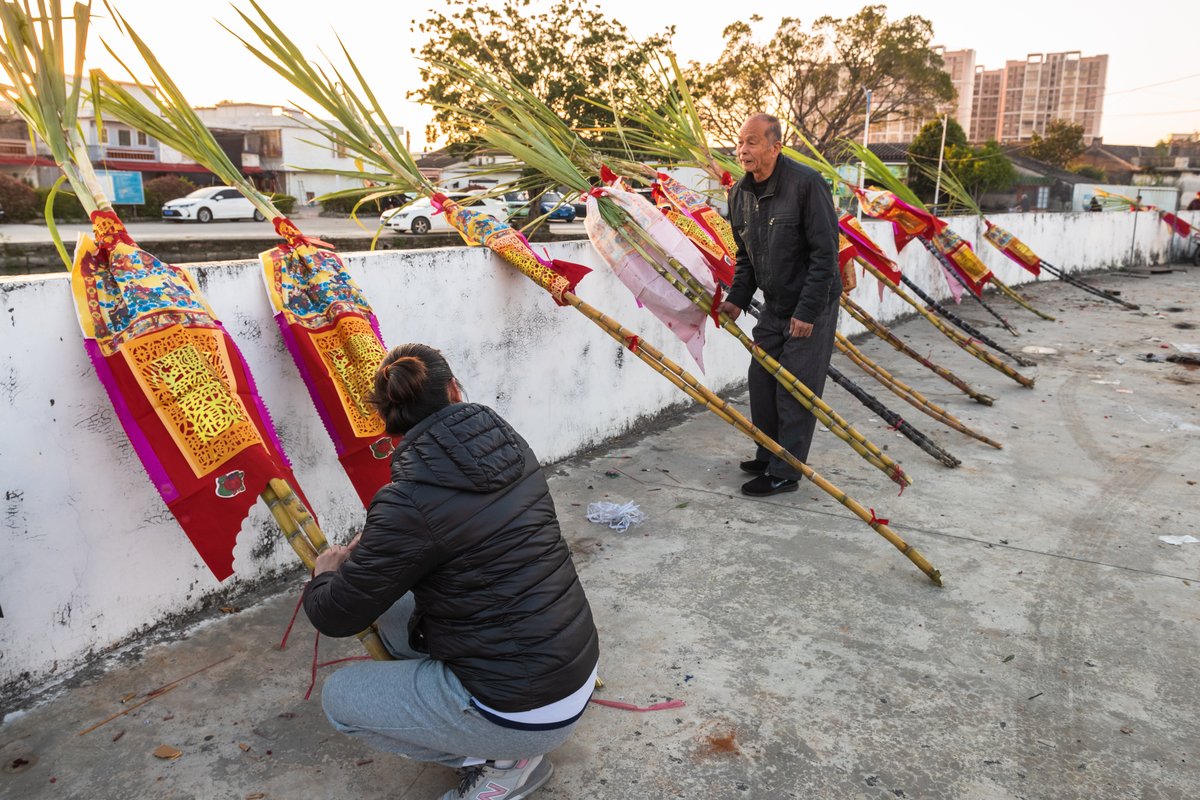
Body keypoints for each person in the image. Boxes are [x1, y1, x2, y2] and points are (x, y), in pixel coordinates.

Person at [304, 343, 600, 800]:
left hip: (526, 710)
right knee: (394, 610)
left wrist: (326, 573)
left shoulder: (407, 499)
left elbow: (335, 616)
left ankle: (506, 763)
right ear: (453, 389)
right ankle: (495, 740)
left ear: (389, 420)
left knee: (340, 698)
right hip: (572, 669)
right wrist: (381, 552)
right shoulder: (509, 445)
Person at [717, 113, 841, 497]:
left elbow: (825, 254)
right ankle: (770, 451)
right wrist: (737, 299)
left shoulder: (806, 184)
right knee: (762, 380)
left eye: (752, 142)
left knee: (795, 388)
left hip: (811, 304)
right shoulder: (739, 195)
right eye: (741, 142)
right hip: (775, 304)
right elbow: (745, 256)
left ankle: (785, 471)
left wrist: (806, 312)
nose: (743, 149)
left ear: (776, 147)